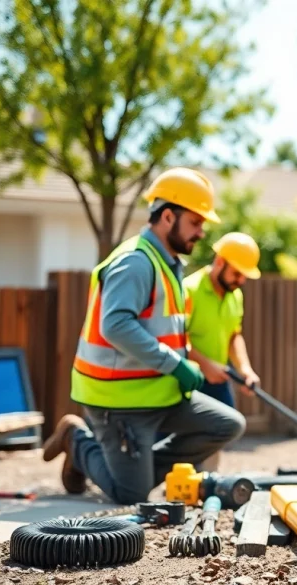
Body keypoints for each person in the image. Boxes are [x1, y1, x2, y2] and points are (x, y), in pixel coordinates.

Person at [41, 167, 246, 505]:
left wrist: (185, 362)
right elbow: (115, 326)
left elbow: (164, 330)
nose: (201, 232)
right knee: (131, 495)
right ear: (168, 217)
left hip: (160, 393)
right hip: (120, 401)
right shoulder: (135, 262)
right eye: (195, 222)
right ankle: (77, 441)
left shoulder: (169, 264)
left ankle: (136, 471)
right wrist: (176, 365)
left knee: (228, 425)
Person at [182, 232, 263, 470]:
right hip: (188, 380)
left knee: (223, 431)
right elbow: (177, 340)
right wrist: (205, 365)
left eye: (245, 275)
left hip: (218, 379)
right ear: (219, 262)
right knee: (185, 437)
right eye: (237, 273)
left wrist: (245, 369)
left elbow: (233, 335)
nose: (241, 281)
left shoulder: (234, 296)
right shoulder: (189, 290)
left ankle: (207, 481)